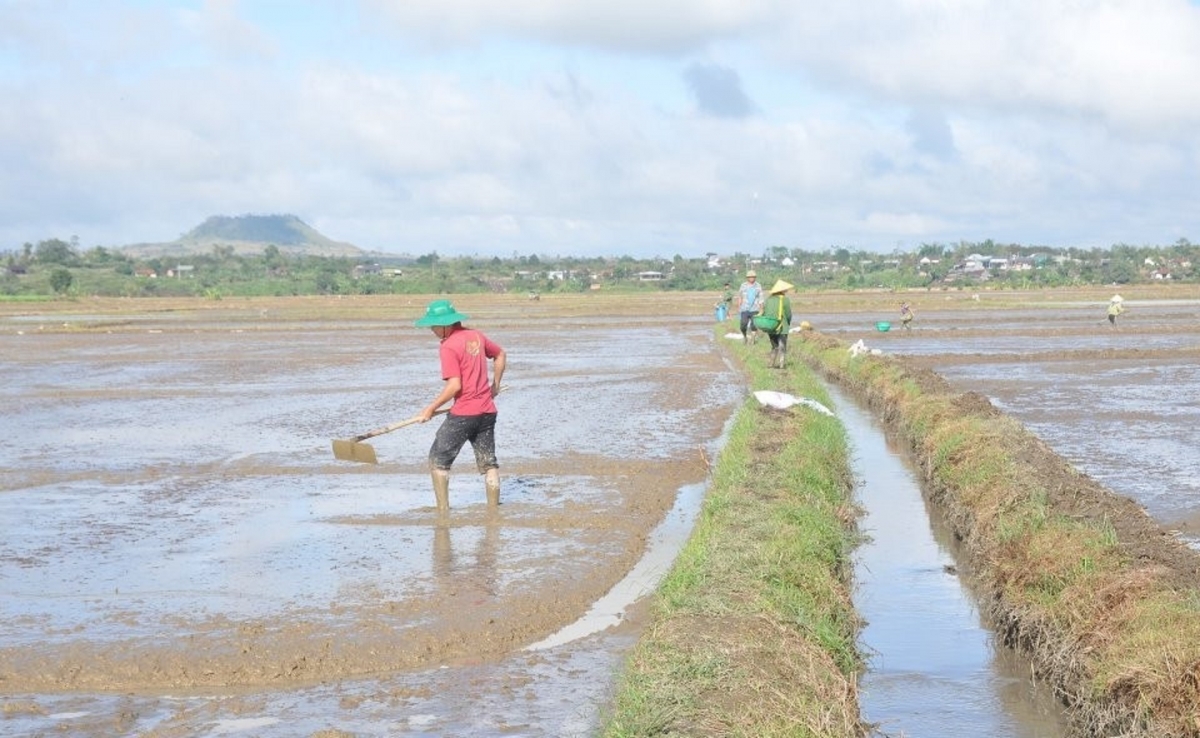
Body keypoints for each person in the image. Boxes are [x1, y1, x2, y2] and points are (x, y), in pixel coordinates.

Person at [414, 299, 507, 513]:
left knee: (437, 460)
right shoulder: (476, 336)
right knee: (488, 463)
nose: (432, 330)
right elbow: (500, 354)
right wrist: (496, 386)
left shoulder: (448, 346)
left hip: (464, 413)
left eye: (434, 326)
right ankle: (493, 511)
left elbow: (455, 385)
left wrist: (430, 408)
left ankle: (443, 511)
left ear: (446, 324)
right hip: (487, 412)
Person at [760, 280, 794, 368]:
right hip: (782, 326)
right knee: (782, 346)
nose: (786, 291)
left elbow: (764, 312)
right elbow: (788, 314)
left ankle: (771, 363)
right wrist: (788, 323)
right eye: (785, 290)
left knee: (774, 346)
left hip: (771, 326)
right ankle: (781, 364)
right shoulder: (785, 300)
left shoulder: (768, 300)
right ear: (782, 290)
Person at [736, 270, 764, 344]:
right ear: (747, 278)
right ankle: (745, 337)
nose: (752, 278)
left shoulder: (758, 286)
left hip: (755, 308)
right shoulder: (743, 285)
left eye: (753, 277)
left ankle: (752, 340)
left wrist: (761, 309)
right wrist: (738, 306)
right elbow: (740, 296)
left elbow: (761, 298)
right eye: (750, 277)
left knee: (754, 325)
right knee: (743, 325)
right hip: (744, 308)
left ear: (755, 277)